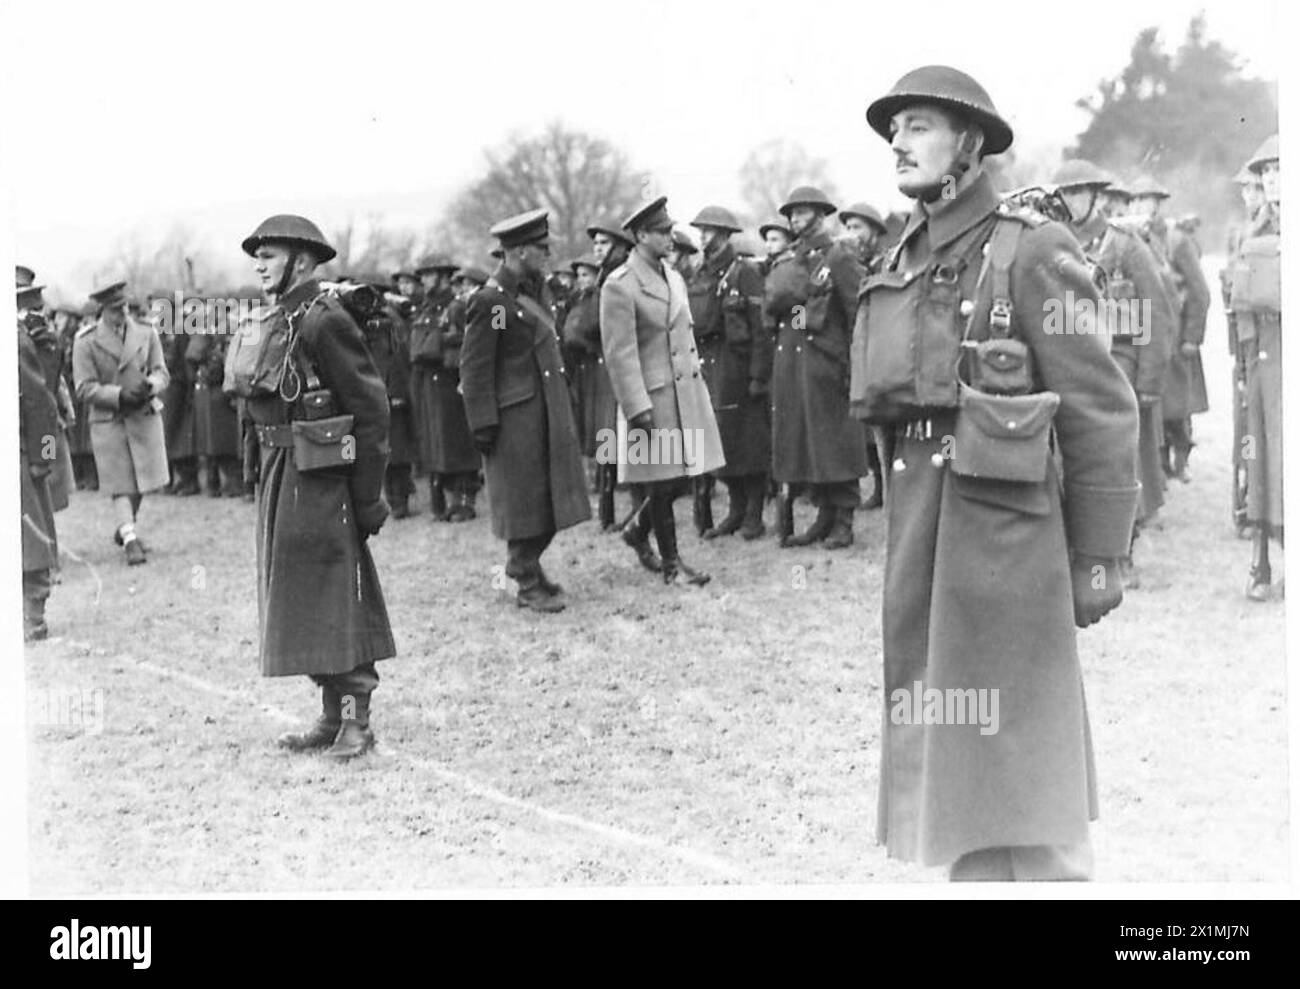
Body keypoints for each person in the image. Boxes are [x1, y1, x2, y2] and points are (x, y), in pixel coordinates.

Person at [852, 65, 1139, 881]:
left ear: (969, 145)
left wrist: (1099, 553)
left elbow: (1099, 407)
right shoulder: (902, 253)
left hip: (1008, 555)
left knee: (1027, 772)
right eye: (894, 131)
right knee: (958, 777)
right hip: (924, 541)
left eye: (917, 126)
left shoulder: (1033, 249)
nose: (899, 144)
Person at [239, 214, 394, 760]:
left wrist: (367, 496)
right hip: (284, 471)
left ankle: (356, 719)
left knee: (335, 596)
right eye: (257, 255)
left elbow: (371, 409)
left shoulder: (324, 320)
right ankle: (332, 717)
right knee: (301, 598)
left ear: (301, 261)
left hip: (324, 478)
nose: (259, 263)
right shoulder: (281, 317)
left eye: (270, 255)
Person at [1052, 159, 1176, 588]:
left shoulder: (1125, 245)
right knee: (1075, 463)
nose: (1070, 202)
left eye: (1078, 193)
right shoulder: (1055, 243)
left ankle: (1124, 552)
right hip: (1071, 368)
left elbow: (1156, 314)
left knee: (1126, 463)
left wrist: (1149, 383)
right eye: (1064, 194)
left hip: (1120, 365)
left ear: (1096, 196)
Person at [461, 208, 591, 612]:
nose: (548, 254)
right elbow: (476, 367)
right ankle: (525, 577)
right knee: (526, 502)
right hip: (515, 420)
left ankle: (528, 566)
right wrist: (483, 423)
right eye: (541, 248)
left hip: (547, 411)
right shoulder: (493, 303)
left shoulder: (534, 291)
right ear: (517, 252)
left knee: (551, 498)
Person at [600, 196, 725, 585]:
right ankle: (673, 567)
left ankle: (638, 529)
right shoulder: (619, 286)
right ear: (640, 236)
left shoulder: (673, 277)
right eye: (661, 231)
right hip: (652, 397)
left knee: (685, 475)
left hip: (685, 392)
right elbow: (620, 355)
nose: (670, 237)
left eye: (670, 229)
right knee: (661, 479)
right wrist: (637, 408)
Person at [767, 185, 869, 548]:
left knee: (836, 438)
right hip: (797, 361)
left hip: (829, 358)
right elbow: (777, 305)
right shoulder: (791, 257)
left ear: (820, 215)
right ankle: (824, 516)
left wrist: (856, 361)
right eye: (791, 213)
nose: (794, 217)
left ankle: (844, 518)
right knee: (810, 440)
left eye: (802, 211)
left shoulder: (838, 256)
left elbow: (858, 308)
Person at [686, 205, 772, 540]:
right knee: (721, 443)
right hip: (710, 365)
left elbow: (760, 329)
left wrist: (758, 375)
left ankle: (754, 514)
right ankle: (736, 511)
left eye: (708, 231)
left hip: (739, 366)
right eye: (701, 230)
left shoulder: (743, 273)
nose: (703, 236)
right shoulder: (701, 273)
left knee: (748, 443)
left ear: (723, 234)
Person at [71, 279, 171, 565]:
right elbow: (84, 387)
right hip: (110, 419)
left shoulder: (146, 333)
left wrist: (150, 386)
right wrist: (118, 395)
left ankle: (125, 525)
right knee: (121, 482)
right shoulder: (86, 341)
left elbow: (161, 371)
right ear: (103, 310)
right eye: (116, 309)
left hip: (143, 415)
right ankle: (130, 538)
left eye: (126, 306)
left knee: (142, 482)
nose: (123, 313)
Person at [1129, 176, 1211, 483]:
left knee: (1180, 404)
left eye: (1146, 200)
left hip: (1177, 334)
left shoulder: (1177, 239)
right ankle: (1160, 464)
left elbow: (1200, 291)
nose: (1141, 206)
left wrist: (1192, 336)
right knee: (1157, 402)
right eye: (1135, 200)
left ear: (1159, 203)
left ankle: (1182, 458)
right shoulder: (1135, 237)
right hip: (1152, 332)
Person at [1232, 135, 1282, 601]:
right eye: (1266, 173)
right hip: (1267, 354)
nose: (1271, 180)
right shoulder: (1253, 234)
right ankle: (1261, 564)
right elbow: (1241, 307)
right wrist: (1247, 363)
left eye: (1280, 170)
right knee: (1262, 455)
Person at [1225, 165, 1267, 538]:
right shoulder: (1240, 233)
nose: (1249, 196)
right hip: (1243, 341)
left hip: (1261, 342)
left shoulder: (1271, 229)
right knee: (1246, 431)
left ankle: (1258, 502)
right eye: (1246, 190)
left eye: (1255, 189)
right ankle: (1247, 498)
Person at [587, 218, 636, 535]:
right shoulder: (602, 278)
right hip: (605, 367)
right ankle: (606, 513)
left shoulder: (624, 277)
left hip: (626, 365)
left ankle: (637, 508)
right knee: (609, 438)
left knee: (634, 439)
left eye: (604, 244)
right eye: (596, 244)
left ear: (619, 247)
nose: (598, 249)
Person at [19, 279, 61, 640]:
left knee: (30, 536)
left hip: (20, 454)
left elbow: (43, 404)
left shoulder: (19, 342)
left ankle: (34, 614)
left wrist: (44, 459)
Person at [408, 251, 462, 519]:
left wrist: (436, 343)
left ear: (443, 277)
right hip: (427, 381)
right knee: (432, 441)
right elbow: (415, 348)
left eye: (429, 275)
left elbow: (463, 341)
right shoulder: (423, 307)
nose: (425, 280)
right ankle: (438, 501)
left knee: (453, 440)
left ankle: (462, 500)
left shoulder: (456, 305)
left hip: (449, 381)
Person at [188, 303, 245, 497]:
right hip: (215, 391)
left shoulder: (213, 335)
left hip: (214, 391)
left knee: (217, 444)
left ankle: (222, 485)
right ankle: (224, 485)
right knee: (219, 444)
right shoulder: (220, 335)